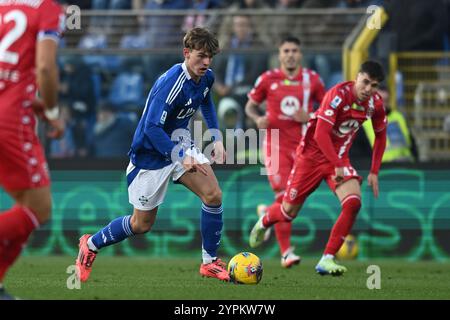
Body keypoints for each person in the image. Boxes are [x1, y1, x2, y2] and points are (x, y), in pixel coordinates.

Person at [75, 27, 230, 283]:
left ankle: (209, 262)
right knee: (141, 225)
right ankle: (90, 244)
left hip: (180, 144)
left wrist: (216, 136)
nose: (206, 62)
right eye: (201, 56)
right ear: (186, 53)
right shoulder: (171, 83)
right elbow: (151, 128)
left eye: (210, 56)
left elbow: (206, 101)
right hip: (150, 155)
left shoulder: (206, 77)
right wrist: (179, 156)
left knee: (213, 195)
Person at [249, 60, 387, 276]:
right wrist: (338, 163)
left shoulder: (375, 104)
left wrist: (374, 171)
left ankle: (327, 259)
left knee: (353, 203)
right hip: (311, 158)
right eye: (365, 82)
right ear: (357, 76)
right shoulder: (338, 95)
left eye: (374, 85)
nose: (368, 89)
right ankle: (266, 218)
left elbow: (380, 136)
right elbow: (321, 134)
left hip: (338, 160)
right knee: (287, 212)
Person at [0, 0, 65, 299]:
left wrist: (32, 101)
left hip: (10, 108)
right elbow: (45, 67)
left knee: (26, 206)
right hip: (9, 120)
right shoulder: (47, 8)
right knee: (38, 208)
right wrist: (51, 111)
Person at [245, 36, 325, 268]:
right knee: (284, 198)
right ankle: (286, 253)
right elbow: (250, 105)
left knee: (293, 203)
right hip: (275, 145)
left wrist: (310, 117)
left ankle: (266, 214)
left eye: (294, 50)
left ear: (300, 54)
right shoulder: (268, 79)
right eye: (286, 50)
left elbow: (329, 108)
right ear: (279, 55)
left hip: (304, 148)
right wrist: (257, 118)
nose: (290, 54)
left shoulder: (313, 80)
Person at [362, 85, 417, 163]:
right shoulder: (364, 123)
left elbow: (412, 144)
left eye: (386, 101)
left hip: (406, 165)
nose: (383, 105)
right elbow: (361, 154)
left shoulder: (399, 117)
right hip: (383, 169)